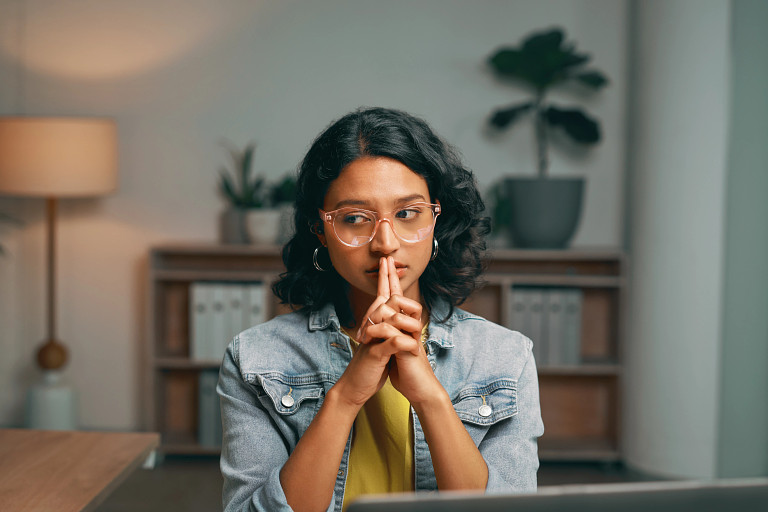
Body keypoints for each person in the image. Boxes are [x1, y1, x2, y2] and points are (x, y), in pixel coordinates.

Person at [217, 107, 544, 512]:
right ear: (321, 229)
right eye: (355, 218)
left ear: (436, 219)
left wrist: (429, 397)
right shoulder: (254, 358)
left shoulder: (505, 357)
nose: (385, 242)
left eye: (407, 214)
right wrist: (348, 394)